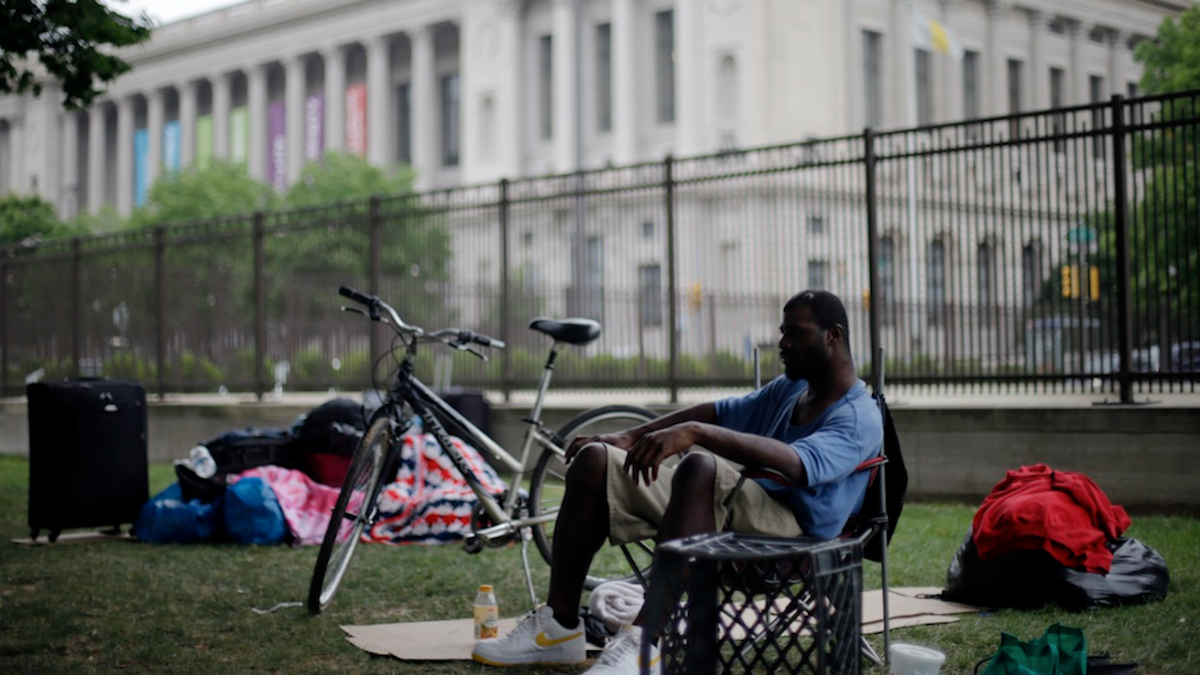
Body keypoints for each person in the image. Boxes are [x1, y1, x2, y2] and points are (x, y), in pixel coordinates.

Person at [472, 289, 884, 674]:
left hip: (798, 535)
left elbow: (799, 464)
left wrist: (695, 434)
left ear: (833, 336)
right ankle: (558, 627)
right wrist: (630, 436)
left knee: (700, 466)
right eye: (782, 333)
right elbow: (721, 411)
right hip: (737, 508)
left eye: (796, 333)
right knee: (595, 459)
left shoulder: (860, 415)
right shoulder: (792, 389)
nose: (783, 343)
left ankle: (646, 642)